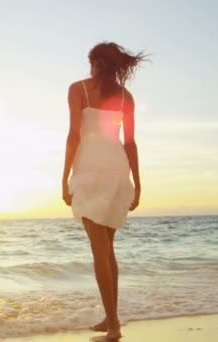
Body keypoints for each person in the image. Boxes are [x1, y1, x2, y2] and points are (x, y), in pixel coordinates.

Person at [62, 41, 146, 340]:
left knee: (101, 249)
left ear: (99, 62)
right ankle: (111, 318)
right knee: (107, 249)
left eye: (93, 60)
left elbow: (73, 135)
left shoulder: (78, 89)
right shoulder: (125, 95)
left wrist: (64, 178)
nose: (92, 65)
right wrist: (136, 182)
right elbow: (129, 144)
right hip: (116, 169)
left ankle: (112, 326)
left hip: (91, 170)